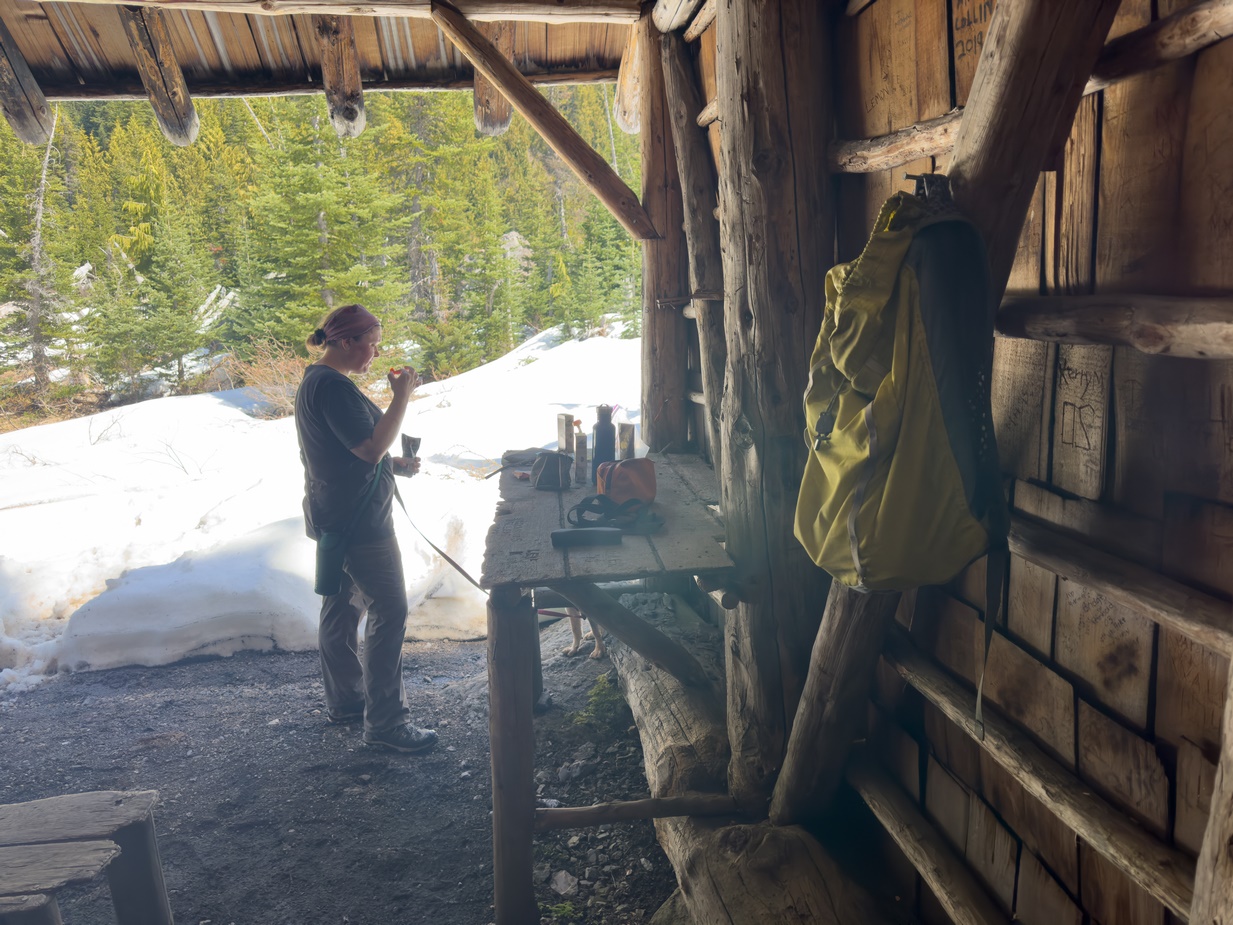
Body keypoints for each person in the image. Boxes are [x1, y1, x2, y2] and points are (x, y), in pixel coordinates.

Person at [294, 303, 438, 755]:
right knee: (389, 610)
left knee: (340, 609)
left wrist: (394, 465)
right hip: (359, 523)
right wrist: (402, 396)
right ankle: (387, 723)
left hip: (334, 514)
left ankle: (347, 702)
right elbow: (369, 449)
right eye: (371, 344)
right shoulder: (332, 387)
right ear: (345, 341)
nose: (375, 353)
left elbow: (347, 451)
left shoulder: (318, 381)